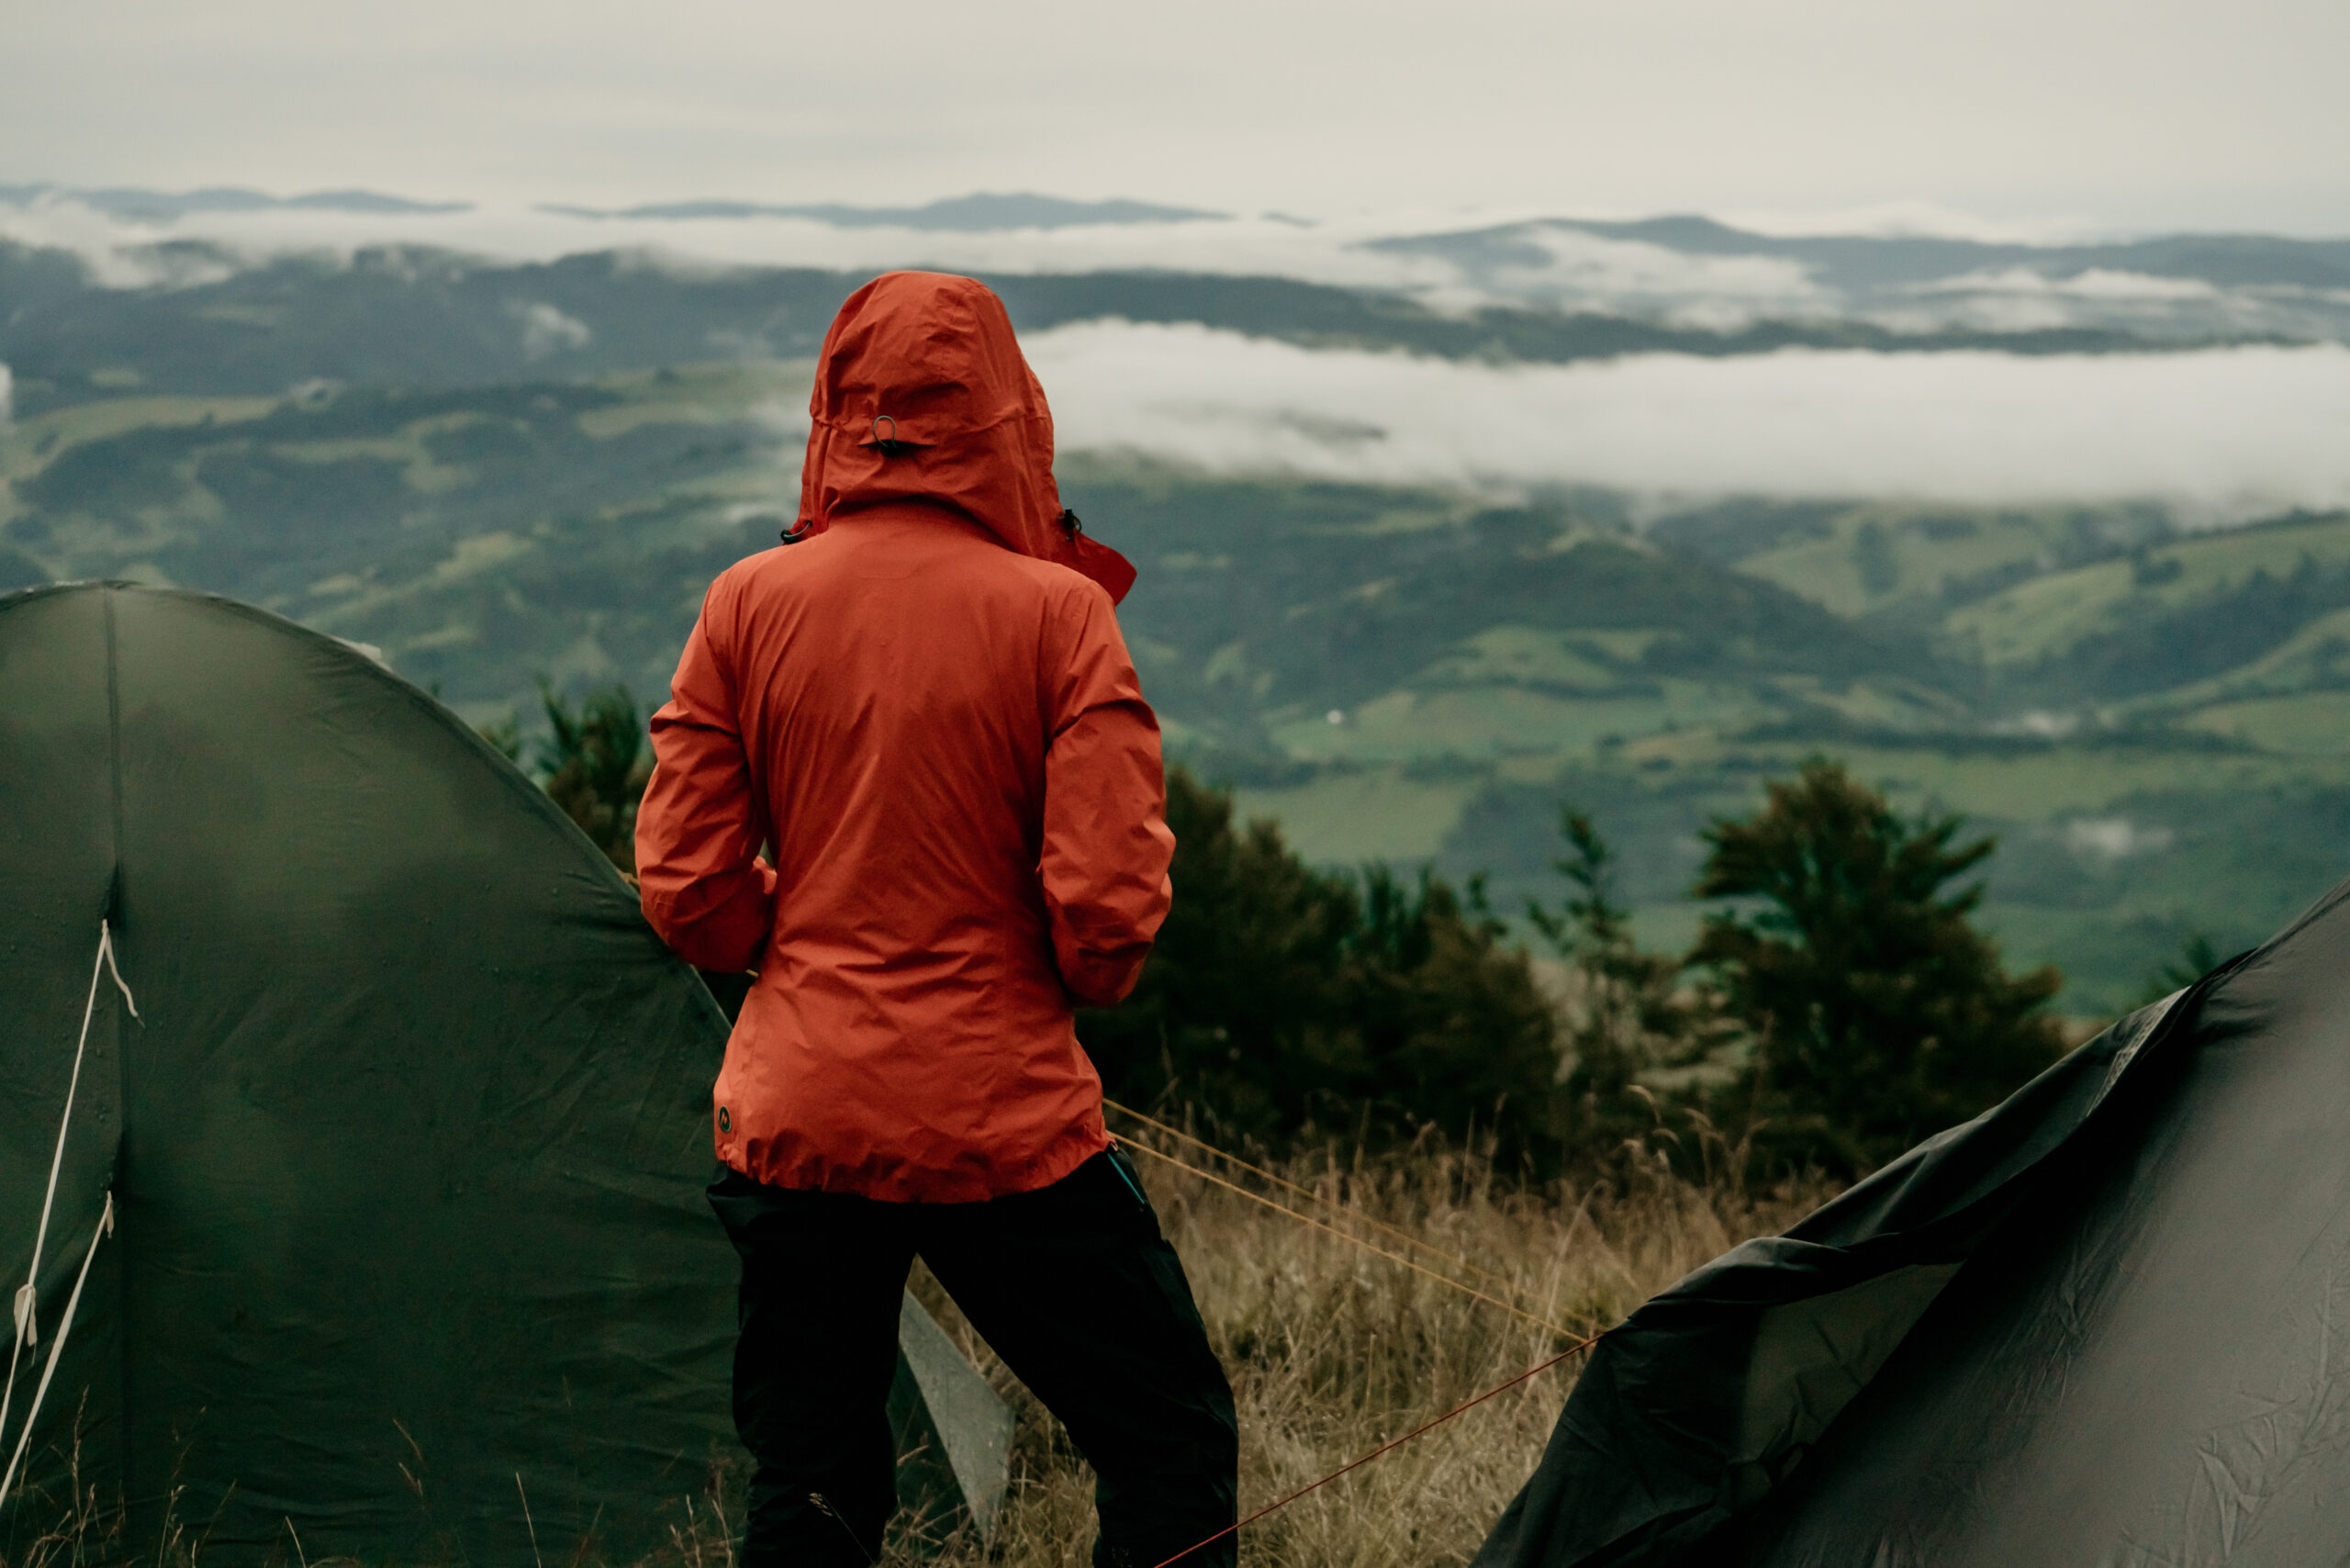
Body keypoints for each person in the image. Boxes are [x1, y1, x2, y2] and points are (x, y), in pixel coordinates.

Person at [634, 271, 1238, 1568]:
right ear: (1014, 415)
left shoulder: (747, 603)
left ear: (839, 412)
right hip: (1000, 1123)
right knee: (1167, 1438)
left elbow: (685, 892)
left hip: (796, 1118)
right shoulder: (1060, 616)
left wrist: (793, 935)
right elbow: (1108, 925)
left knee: (813, 1483)